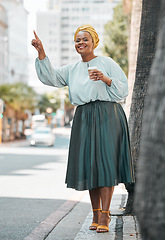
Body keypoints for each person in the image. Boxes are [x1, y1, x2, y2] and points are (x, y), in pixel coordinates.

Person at [31, 24, 134, 233]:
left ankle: (105, 216)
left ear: (94, 42)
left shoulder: (107, 63)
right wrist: (41, 52)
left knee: (106, 165)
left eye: (85, 39)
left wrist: (105, 78)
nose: (81, 43)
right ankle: (96, 213)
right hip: (84, 117)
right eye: (77, 40)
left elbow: (123, 89)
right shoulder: (72, 69)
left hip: (108, 115)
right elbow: (50, 77)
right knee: (90, 166)